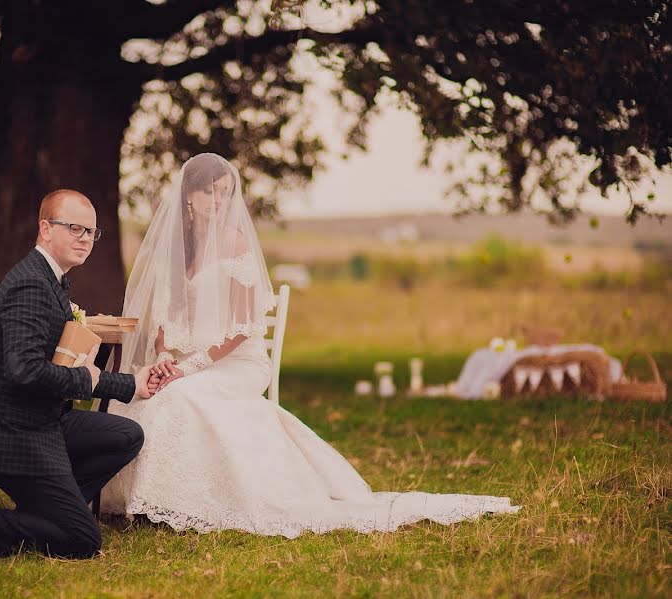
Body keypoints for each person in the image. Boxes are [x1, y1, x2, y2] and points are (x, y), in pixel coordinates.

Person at [101, 154, 521, 537]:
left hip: (236, 360)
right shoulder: (176, 249)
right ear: (188, 196)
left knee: (184, 395)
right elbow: (166, 318)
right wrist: (163, 358)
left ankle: (186, 502)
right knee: (145, 390)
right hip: (186, 358)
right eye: (208, 191)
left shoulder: (235, 244)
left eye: (225, 192)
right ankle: (145, 501)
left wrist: (191, 367)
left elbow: (244, 327)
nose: (217, 200)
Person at [0, 189, 156, 561]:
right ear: (46, 229)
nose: (85, 239)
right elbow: (25, 371)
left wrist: (132, 384)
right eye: (75, 228)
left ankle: (47, 515)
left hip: (41, 421)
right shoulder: (30, 285)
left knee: (126, 435)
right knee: (82, 541)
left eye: (91, 232)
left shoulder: (52, 278)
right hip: (8, 433)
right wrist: (85, 380)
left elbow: (70, 369)